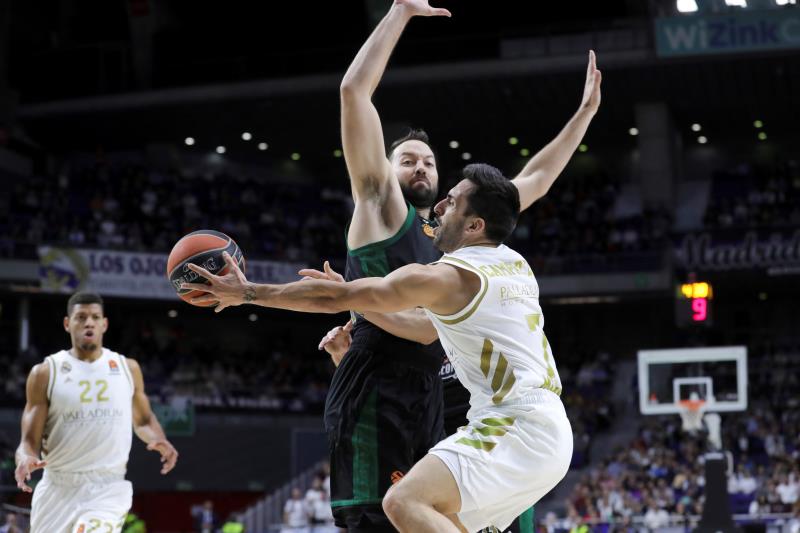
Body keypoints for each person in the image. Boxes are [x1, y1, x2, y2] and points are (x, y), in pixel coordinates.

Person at [304, 0, 601, 529]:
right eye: (407, 160)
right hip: (394, 396)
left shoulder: (457, 241)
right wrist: (400, 13)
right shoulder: (382, 206)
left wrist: (584, 117)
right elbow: (354, 94)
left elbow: (534, 180)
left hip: (448, 399)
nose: (420, 166)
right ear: (385, 168)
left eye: (429, 161)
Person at [182, 163, 573, 532]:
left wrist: (248, 292)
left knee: (403, 502)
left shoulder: (450, 278)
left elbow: (331, 299)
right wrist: (356, 298)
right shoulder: (513, 263)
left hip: (515, 424)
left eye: (452, 202)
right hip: (543, 426)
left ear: (475, 225)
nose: (439, 206)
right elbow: (420, 327)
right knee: (439, 519)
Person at [14, 291, 178, 533]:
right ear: (67, 324)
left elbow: (144, 420)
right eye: (81, 317)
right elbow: (28, 441)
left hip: (107, 487)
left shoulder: (127, 368)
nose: (88, 323)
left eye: (95, 317)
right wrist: (24, 458)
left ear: (104, 324)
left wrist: (159, 439)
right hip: (58, 487)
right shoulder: (45, 373)